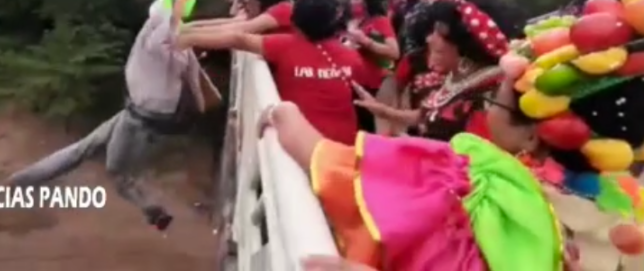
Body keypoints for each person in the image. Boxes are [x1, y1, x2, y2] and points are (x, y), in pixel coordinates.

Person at [269, 73, 644, 271]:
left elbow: (328, 162)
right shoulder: (627, 214)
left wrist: (282, 112)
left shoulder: (475, 181)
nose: (487, 112)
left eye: (493, 99)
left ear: (532, 134)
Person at [7, 0, 221, 231]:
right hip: (139, 117)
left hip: (142, 122)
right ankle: (23, 181)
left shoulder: (155, 40)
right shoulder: (185, 50)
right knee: (83, 149)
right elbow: (202, 99)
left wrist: (177, 11)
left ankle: (155, 211)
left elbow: (169, 33)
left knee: (119, 174)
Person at [177, 0, 368, 145]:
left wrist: (187, 38)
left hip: (301, 142)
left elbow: (237, 38)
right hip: (344, 145)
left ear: (295, 19)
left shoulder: (283, 45)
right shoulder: (353, 58)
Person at [355, 0, 523, 140]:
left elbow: (474, 164)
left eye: (439, 33)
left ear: (466, 43)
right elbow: (424, 117)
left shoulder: (492, 96)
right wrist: (382, 111)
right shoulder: (458, 78)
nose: (429, 39)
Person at [338, 0, 400, 132]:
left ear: (369, 0)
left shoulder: (379, 21)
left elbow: (394, 52)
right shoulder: (345, 21)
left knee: (364, 126)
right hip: (344, 79)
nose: (351, 1)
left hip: (367, 84)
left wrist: (366, 41)